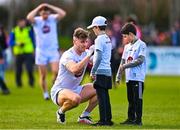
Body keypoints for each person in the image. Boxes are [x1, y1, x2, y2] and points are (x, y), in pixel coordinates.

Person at [51, 28, 97, 124]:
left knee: (100, 88)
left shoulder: (85, 53)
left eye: (86, 42)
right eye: (82, 42)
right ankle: (60, 112)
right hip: (59, 91)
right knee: (76, 99)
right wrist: (88, 56)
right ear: (74, 41)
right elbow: (74, 69)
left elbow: (96, 62)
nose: (85, 44)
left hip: (75, 89)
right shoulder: (68, 55)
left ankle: (84, 116)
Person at [27, 3, 66, 100]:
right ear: (40, 13)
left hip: (52, 50)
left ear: (49, 13)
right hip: (41, 51)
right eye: (43, 13)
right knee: (43, 75)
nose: (45, 15)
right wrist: (38, 7)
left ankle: (54, 88)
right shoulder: (36, 20)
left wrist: (49, 6)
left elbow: (63, 13)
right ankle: (45, 93)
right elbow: (29, 17)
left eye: (47, 13)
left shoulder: (52, 19)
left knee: (56, 72)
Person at [116, 23, 147, 126]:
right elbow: (122, 62)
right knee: (130, 99)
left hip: (138, 77)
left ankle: (138, 120)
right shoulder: (126, 47)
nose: (124, 39)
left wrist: (125, 66)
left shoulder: (141, 44)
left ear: (130, 34)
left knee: (138, 99)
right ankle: (130, 118)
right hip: (129, 78)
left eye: (125, 36)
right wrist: (118, 76)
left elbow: (140, 60)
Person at [87, 16, 113, 126]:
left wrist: (93, 71)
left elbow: (98, 57)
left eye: (93, 28)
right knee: (105, 96)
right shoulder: (107, 38)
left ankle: (103, 121)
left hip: (101, 71)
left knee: (101, 97)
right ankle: (108, 119)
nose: (93, 30)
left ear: (97, 27)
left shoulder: (99, 39)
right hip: (108, 71)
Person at [9, 19, 35, 87]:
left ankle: (31, 82)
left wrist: (34, 49)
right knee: (18, 69)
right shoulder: (14, 30)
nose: (22, 24)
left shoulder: (29, 30)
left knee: (29, 68)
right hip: (18, 53)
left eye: (23, 23)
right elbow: (10, 42)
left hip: (28, 52)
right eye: (21, 23)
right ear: (18, 23)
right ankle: (18, 83)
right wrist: (16, 43)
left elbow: (33, 40)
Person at [0, 24, 10, 94]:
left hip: (2, 54)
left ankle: (3, 88)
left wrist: (1, 57)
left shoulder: (4, 35)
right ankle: (4, 88)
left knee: (2, 71)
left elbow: (6, 45)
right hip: (2, 53)